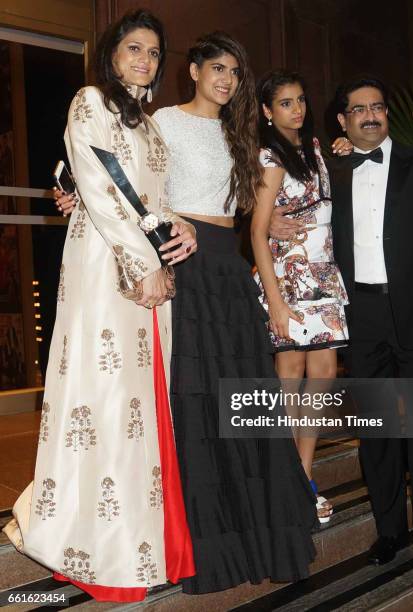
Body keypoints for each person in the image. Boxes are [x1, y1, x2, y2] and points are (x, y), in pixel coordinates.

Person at [57, 31, 318, 595]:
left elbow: (279, 171)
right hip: (186, 265)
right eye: (216, 68)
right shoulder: (162, 123)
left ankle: (263, 534)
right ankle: (210, 544)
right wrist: (71, 190)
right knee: (197, 405)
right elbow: (120, 176)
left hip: (229, 269)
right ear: (193, 71)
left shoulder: (242, 131)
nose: (226, 80)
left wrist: (330, 156)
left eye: (234, 71)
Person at [4, 10, 196, 602]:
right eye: (133, 48)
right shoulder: (91, 100)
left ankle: (139, 537)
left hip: (151, 268)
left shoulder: (150, 124)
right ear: (111, 54)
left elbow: (153, 198)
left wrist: (180, 233)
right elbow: (101, 190)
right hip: (106, 268)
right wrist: (146, 268)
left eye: (153, 52)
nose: (143, 59)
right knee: (107, 398)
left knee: (141, 402)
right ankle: (96, 541)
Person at [270, 75, 413, 573]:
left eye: (378, 107)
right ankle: (389, 532)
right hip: (360, 318)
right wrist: (267, 221)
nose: (371, 116)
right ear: (343, 121)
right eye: (359, 110)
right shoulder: (329, 169)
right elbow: (285, 203)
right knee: (375, 434)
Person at [251, 70, 349, 523]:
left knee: (324, 372)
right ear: (268, 112)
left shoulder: (314, 149)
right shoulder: (270, 156)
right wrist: (274, 300)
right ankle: (292, 481)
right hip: (289, 277)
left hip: (324, 275)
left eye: (301, 99)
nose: (297, 109)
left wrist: (344, 150)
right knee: (290, 373)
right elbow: (257, 227)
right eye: (286, 103)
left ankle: (302, 475)